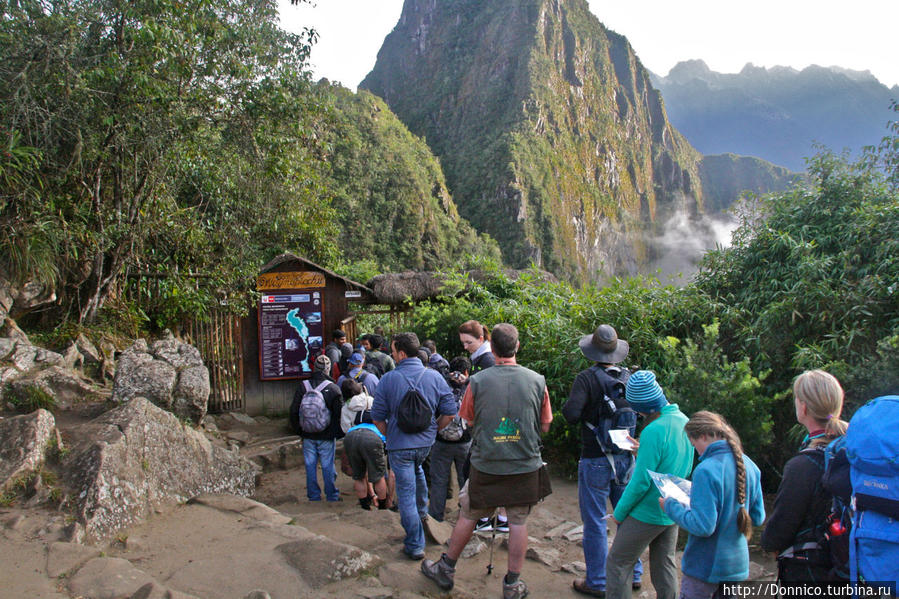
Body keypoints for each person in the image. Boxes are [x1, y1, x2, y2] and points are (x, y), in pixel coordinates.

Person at [420, 323, 553, 599]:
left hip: (487, 462)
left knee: (469, 513)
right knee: (518, 521)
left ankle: (445, 569)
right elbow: (546, 424)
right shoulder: (537, 380)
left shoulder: (477, 382)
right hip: (525, 464)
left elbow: (467, 420)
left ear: (491, 349)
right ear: (517, 347)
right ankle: (512, 585)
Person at [563, 324, 643, 596]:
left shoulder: (587, 378)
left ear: (593, 351)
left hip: (595, 458)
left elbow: (571, 414)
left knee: (596, 520)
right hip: (626, 459)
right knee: (627, 516)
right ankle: (633, 574)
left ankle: (597, 581)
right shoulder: (630, 378)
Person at [605, 370, 693, 599]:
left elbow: (641, 481)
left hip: (648, 511)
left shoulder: (654, 430)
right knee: (665, 564)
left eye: (637, 408)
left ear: (644, 405)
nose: (637, 413)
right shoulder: (684, 421)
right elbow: (681, 464)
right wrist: (642, 449)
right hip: (672, 507)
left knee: (618, 562)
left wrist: (620, 513)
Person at [371, 332, 457, 560]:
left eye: (392, 350)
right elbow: (450, 411)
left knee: (406, 494)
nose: (391, 354)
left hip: (400, 447)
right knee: (418, 472)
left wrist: (392, 435)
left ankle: (415, 544)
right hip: (425, 445)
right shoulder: (434, 377)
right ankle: (422, 518)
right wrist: (433, 430)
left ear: (401, 353)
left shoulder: (388, 379)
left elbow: (378, 417)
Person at [661, 411, 766, 599]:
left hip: (705, 568)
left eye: (694, 445)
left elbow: (703, 526)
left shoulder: (706, 470)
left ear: (702, 436)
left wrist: (670, 506)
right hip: (736, 566)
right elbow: (758, 517)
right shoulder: (750, 466)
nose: (697, 452)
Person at [761, 370, 848, 584]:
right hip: (849, 569)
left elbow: (779, 530)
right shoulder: (853, 451)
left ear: (804, 407)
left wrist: (768, 543)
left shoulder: (803, 465)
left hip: (811, 574)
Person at [427, 355, 473, 521]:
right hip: (465, 441)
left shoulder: (441, 383)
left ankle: (435, 517)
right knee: (466, 480)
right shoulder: (472, 385)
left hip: (441, 441)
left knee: (439, 480)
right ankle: (467, 516)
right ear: (467, 370)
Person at [293, 355, 344, 502]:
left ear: (314, 367)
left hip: (307, 433)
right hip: (327, 435)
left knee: (310, 465)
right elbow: (339, 413)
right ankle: (332, 495)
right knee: (327, 465)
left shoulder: (303, 386)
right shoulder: (333, 389)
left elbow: (294, 410)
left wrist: (300, 430)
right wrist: (336, 433)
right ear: (328, 369)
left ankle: (313, 495)